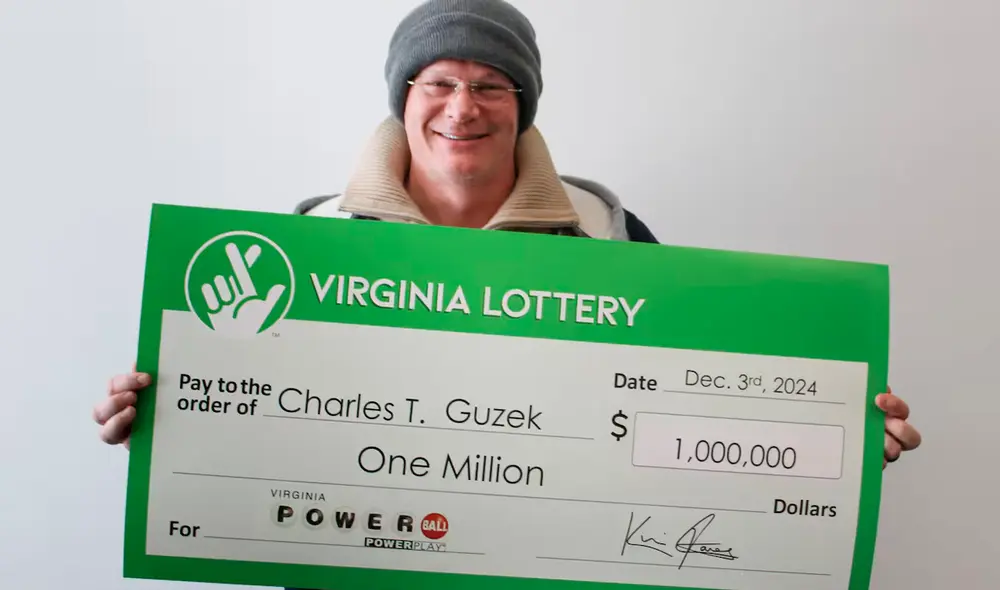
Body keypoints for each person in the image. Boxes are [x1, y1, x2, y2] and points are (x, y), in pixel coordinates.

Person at [93, 0, 922, 587]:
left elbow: (693, 413)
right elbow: (248, 422)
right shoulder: (304, 249)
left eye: (492, 84)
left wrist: (832, 440)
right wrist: (166, 414)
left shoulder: (615, 240)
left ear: (521, 107)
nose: (464, 106)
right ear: (405, 99)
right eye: (438, 82)